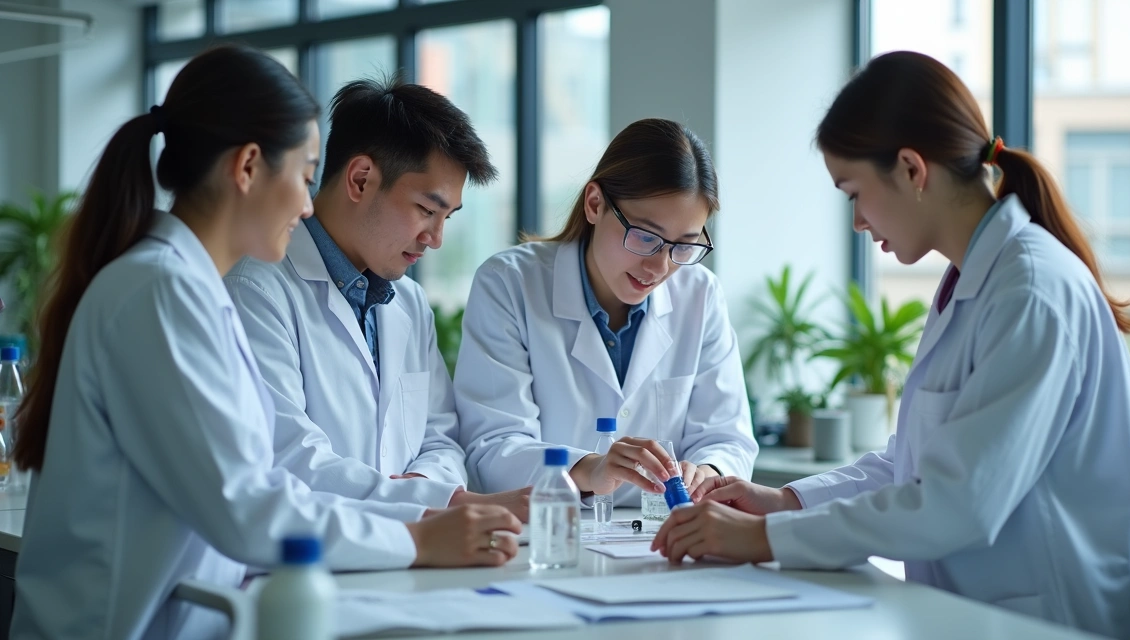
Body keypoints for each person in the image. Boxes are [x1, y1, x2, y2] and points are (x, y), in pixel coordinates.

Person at [10, 46, 519, 640]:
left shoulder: (185, 288)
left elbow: (254, 486)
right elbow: (246, 502)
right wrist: (417, 536)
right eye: (304, 177)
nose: (307, 203)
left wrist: (421, 517)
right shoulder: (162, 292)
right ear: (248, 168)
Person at [652, 51, 1130, 640]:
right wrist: (783, 501)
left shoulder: (1032, 290)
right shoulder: (973, 283)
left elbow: (959, 503)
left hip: (1055, 619)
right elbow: (910, 464)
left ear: (912, 170)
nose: (857, 223)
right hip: (980, 613)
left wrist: (762, 539)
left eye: (852, 192)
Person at [224, 76, 529, 522]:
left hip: (408, 560)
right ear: (361, 178)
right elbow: (288, 457)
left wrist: (425, 488)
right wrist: (440, 504)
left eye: (447, 217)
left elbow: (440, 438)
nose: (436, 239)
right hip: (310, 565)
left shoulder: (409, 302)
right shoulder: (257, 290)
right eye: (427, 210)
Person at [456, 118, 758, 507]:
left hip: (661, 538)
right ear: (595, 203)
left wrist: (709, 471)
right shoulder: (510, 284)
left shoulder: (699, 294)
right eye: (646, 237)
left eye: (683, 246)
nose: (659, 267)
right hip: (549, 535)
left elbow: (726, 437)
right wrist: (590, 469)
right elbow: (493, 445)